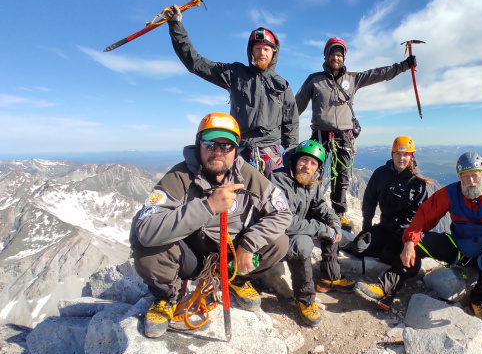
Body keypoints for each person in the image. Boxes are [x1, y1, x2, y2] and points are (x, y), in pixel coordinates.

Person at [130, 112, 291, 338]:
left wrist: (248, 244)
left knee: (279, 242)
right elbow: (146, 228)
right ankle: (166, 297)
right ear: (199, 146)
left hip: (230, 252)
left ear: (236, 150)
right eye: (210, 144)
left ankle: (237, 279)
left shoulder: (247, 174)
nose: (218, 152)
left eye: (227, 146)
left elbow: (282, 212)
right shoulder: (179, 177)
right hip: (190, 254)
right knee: (146, 248)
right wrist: (207, 207)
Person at [354, 151, 482, 312]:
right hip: (457, 249)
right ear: (459, 177)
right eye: (465, 177)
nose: (470, 182)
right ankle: (387, 287)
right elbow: (424, 215)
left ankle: (477, 302)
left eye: (475, 175)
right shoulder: (452, 192)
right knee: (415, 241)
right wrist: (409, 242)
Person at [295, 38, 416, 228]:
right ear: (326, 56)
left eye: (339, 54)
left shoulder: (352, 79)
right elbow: (296, 107)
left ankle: (338, 213)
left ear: (343, 58)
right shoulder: (315, 80)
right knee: (312, 174)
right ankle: (309, 209)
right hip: (320, 135)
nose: (336, 57)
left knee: (341, 177)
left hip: (344, 136)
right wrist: (285, 125)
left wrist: (402, 66)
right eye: (332, 54)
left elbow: (379, 74)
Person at [165, 5, 298, 177]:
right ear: (251, 52)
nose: (261, 53)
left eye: (266, 49)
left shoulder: (282, 86)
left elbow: (291, 124)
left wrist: (290, 156)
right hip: (240, 149)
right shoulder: (235, 74)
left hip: (271, 153)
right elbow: (195, 64)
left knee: (273, 199)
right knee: (235, 199)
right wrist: (176, 26)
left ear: (274, 52)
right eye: (257, 49)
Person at [269, 140, 356, 327]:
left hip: (297, 228)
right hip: (276, 234)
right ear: (295, 160)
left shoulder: (312, 181)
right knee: (303, 245)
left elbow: (319, 206)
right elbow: (284, 221)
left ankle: (329, 277)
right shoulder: (278, 180)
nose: (307, 166)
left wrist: (333, 222)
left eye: (313, 163)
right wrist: (322, 229)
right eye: (304, 160)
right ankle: (305, 299)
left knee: (331, 228)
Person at [351, 136, 430, 295]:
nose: (402, 158)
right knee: (358, 248)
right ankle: (386, 252)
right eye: (398, 154)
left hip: (405, 234)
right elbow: (369, 200)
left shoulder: (418, 182)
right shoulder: (380, 174)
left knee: (411, 265)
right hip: (385, 227)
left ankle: (386, 284)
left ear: (411, 156)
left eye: (406, 154)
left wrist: (409, 241)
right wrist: (367, 228)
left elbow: (421, 216)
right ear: (392, 154)